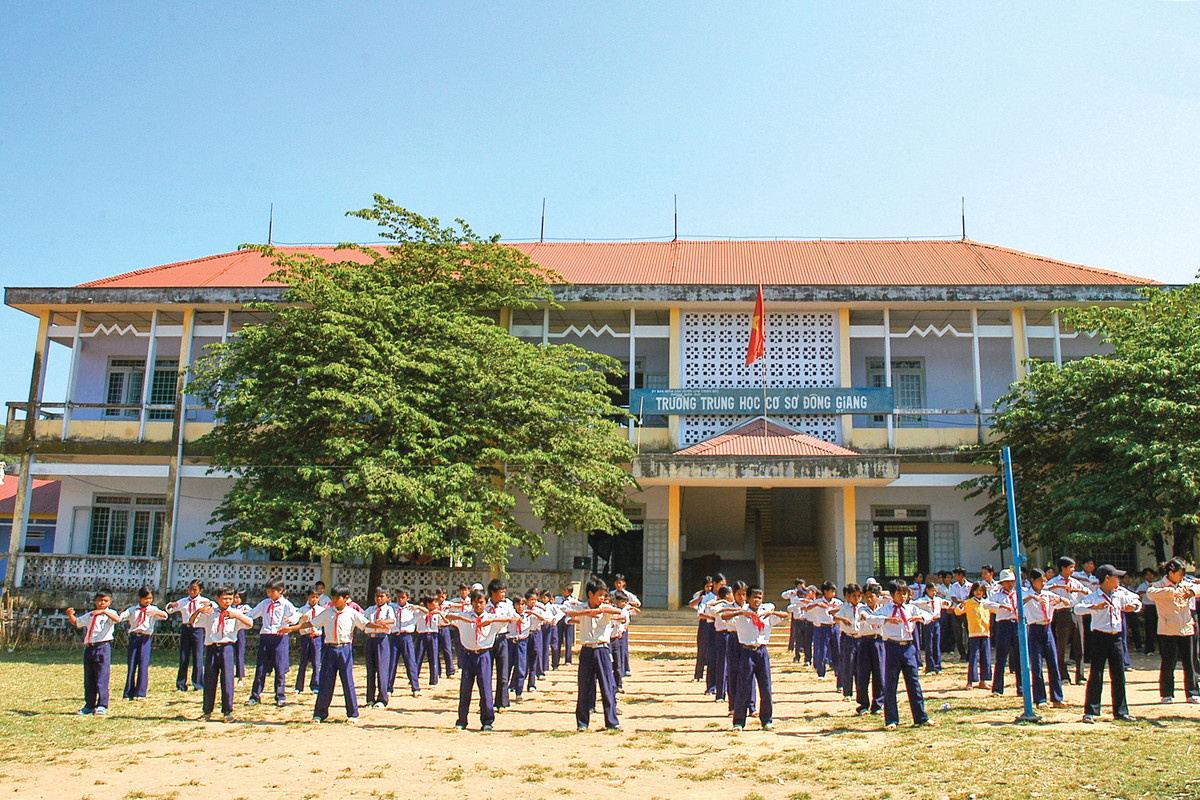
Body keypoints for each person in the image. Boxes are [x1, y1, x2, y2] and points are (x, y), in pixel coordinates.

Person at [282, 584, 391, 723]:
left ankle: (352, 714)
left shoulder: (352, 613)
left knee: (347, 681)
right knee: (325, 681)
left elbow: (365, 623)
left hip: (344, 649)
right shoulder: (327, 613)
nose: (333, 600)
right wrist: (291, 629)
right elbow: (311, 623)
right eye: (332, 597)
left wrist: (378, 626)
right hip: (329, 649)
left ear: (345, 598)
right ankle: (320, 713)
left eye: (337, 598)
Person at [1073, 565, 1142, 723]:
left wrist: (1134, 607)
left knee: (1118, 674)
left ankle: (1121, 711)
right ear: (1107, 579)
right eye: (1116, 577)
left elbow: (1137, 601)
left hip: (1116, 637)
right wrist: (1094, 607)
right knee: (1096, 674)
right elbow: (1077, 609)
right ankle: (1091, 711)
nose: (1119, 580)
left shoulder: (1120, 594)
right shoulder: (1095, 596)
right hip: (1099, 637)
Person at [443, 588, 518, 730]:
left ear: (486, 603)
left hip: (484, 655)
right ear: (471, 603)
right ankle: (462, 720)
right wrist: (463, 619)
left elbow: (511, 619)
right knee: (465, 689)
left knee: (485, 689)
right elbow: (447, 616)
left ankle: (487, 721)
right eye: (475, 602)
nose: (478, 605)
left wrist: (491, 620)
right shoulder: (465, 615)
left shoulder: (490, 617)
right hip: (468, 655)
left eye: (481, 602)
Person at [868, 580, 938, 731]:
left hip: (908, 647)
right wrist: (886, 619)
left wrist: (921, 618)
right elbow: (870, 618)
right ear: (892, 595)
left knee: (914, 682)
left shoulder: (911, 608)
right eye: (899, 593)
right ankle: (891, 719)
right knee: (891, 683)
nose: (902, 596)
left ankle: (921, 717)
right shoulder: (887, 609)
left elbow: (929, 615)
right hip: (892, 646)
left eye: (905, 593)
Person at [563, 576, 629, 731]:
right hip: (587, 650)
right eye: (599, 595)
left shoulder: (605, 608)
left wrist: (602, 610)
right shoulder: (583, 607)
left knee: (607, 686)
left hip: (602, 649)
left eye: (603, 595)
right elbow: (568, 613)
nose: (601, 598)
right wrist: (586, 613)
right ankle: (582, 723)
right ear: (590, 594)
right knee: (584, 686)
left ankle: (611, 721)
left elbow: (621, 614)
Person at [722, 586, 789, 731]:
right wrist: (741, 612)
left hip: (762, 651)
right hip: (747, 651)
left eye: (759, 597)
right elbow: (724, 617)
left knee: (766, 687)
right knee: (743, 687)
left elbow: (785, 615)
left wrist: (772, 612)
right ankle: (739, 722)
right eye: (754, 597)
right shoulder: (743, 612)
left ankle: (767, 720)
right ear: (748, 598)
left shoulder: (765, 613)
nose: (757, 600)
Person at [189, 587, 254, 723]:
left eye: (230, 599)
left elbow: (250, 624)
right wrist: (199, 611)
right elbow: (192, 622)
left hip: (227, 648)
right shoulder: (210, 613)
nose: (227, 601)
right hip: (212, 648)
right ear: (217, 599)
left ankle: (227, 712)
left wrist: (237, 616)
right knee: (210, 681)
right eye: (224, 598)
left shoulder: (235, 612)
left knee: (227, 680)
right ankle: (207, 711)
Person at [1145, 558, 1200, 704]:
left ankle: (1192, 692)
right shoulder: (1159, 585)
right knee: (1168, 663)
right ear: (1171, 573)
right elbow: (1150, 593)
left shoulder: (1185, 584)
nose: (1182, 576)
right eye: (1180, 573)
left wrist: (1192, 592)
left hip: (1186, 628)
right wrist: (1171, 591)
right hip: (1167, 630)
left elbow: (1198, 588)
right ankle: (1167, 693)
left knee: (1189, 663)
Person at [246, 578, 301, 707]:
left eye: (272, 591)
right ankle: (255, 695)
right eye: (268, 591)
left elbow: (297, 614)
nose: (270, 594)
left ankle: (280, 696)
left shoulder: (285, 604)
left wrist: (291, 620)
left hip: (280, 637)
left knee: (280, 668)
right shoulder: (265, 603)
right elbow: (252, 613)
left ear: (280, 591)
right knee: (261, 668)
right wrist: (242, 615)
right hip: (265, 636)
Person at [67, 590, 121, 715]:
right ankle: (89, 705)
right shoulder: (90, 614)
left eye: (105, 601)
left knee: (101, 677)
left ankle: (102, 705)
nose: (102, 603)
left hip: (102, 647)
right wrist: (70, 615)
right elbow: (77, 622)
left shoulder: (110, 613)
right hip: (90, 647)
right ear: (95, 601)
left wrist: (103, 612)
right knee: (89, 678)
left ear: (109, 602)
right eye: (100, 601)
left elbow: (117, 619)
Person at [1023, 568, 1070, 709]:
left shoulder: (1048, 594)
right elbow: (1017, 605)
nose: (1043, 584)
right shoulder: (1026, 594)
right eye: (1040, 581)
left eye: (1044, 581)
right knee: (1037, 665)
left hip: (1047, 628)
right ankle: (1040, 699)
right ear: (1032, 580)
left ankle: (1057, 698)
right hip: (1034, 629)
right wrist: (1032, 597)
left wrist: (1061, 599)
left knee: (1053, 663)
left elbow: (1067, 602)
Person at [1046, 557, 1090, 684]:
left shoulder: (1075, 582)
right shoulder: (1054, 582)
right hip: (1062, 613)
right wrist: (1058, 587)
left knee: (1079, 645)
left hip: (1076, 612)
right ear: (1063, 568)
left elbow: (1088, 592)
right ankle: (1063, 675)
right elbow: (1044, 590)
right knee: (1061, 645)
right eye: (1071, 567)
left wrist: (1078, 590)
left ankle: (1080, 675)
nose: (1073, 570)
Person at [119, 586, 168, 701]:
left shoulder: (153, 609)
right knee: (132, 665)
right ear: (139, 598)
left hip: (145, 638)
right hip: (134, 637)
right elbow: (121, 617)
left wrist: (157, 612)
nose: (148, 601)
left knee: (143, 665)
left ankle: (140, 693)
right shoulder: (132, 610)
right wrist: (120, 614)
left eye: (150, 598)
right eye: (145, 598)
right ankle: (128, 693)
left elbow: (165, 616)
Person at [165, 579, 209, 692]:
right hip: (186, 628)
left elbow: (213, 608)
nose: (192, 592)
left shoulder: (204, 601)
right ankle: (181, 684)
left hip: (198, 629)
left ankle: (198, 684)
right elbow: (170, 610)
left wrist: (209, 606)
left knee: (198, 656)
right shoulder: (184, 601)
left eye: (195, 590)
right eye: (190, 589)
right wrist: (170, 605)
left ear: (200, 591)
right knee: (184, 657)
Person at [983, 569, 1021, 696]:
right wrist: (1001, 606)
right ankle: (997, 688)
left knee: (1019, 657)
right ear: (1002, 583)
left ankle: (1021, 688)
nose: (1010, 584)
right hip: (1004, 625)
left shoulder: (1018, 594)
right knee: (1001, 657)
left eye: (1012, 581)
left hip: (1017, 624)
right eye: (1007, 582)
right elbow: (986, 604)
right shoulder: (997, 595)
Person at [854, 584, 886, 715]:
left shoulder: (883, 608)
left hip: (879, 641)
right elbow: (865, 617)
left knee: (880, 673)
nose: (869, 599)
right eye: (866, 596)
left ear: (877, 597)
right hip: (865, 641)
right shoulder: (862, 609)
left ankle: (878, 704)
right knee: (863, 674)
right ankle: (863, 705)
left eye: (872, 596)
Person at [363, 587, 397, 708]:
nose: (379, 599)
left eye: (381, 596)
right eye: (377, 596)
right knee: (370, 669)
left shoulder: (388, 609)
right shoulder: (370, 610)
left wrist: (383, 622)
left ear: (387, 598)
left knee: (382, 669)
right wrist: (374, 625)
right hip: (371, 638)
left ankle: (382, 699)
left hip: (382, 639)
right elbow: (363, 621)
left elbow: (392, 620)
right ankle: (370, 699)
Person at [954, 580, 992, 689]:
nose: (979, 593)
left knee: (986, 657)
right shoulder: (969, 602)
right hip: (974, 633)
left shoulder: (986, 603)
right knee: (973, 656)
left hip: (985, 633)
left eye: (981, 590)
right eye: (976, 590)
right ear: (973, 591)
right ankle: (970, 681)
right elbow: (957, 612)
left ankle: (984, 680)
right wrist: (960, 605)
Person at [485, 579, 515, 709]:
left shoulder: (506, 605)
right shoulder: (485, 605)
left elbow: (514, 617)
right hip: (488, 639)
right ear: (493, 592)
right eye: (501, 592)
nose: (503, 595)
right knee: (486, 673)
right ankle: (485, 703)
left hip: (502, 639)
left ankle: (502, 703)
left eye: (504, 592)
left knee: (503, 671)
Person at [389, 586, 421, 698]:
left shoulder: (412, 609)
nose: (400, 599)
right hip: (394, 636)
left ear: (408, 598)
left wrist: (417, 607)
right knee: (392, 662)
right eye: (398, 597)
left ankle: (415, 688)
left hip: (406, 636)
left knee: (410, 662)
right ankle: (389, 688)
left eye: (403, 597)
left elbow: (428, 612)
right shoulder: (392, 607)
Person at [833, 583, 863, 700]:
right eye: (854, 596)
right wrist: (843, 618)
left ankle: (860, 692)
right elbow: (835, 618)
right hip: (848, 638)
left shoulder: (862, 608)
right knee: (848, 664)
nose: (856, 598)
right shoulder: (844, 608)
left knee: (860, 666)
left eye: (859, 596)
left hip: (860, 638)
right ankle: (847, 692)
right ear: (848, 596)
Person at [913, 582, 950, 675]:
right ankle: (930, 667)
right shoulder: (922, 600)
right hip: (928, 622)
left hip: (936, 622)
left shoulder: (938, 599)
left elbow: (947, 604)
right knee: (929, 644)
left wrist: (947, 603)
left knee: (936, 644)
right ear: (927, 590)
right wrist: (925, 604)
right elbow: (913, 603)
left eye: (935, 591)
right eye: (932, 591)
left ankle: (938, 666)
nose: (934, 593)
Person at [294, 586, 325, 694]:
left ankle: (315, 685)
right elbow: (297, 622)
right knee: (303, 662)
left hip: (316, 638)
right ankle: (299, 686)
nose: (314, 599)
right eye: (312, 597)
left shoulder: (321, 610)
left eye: (316, 597)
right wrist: (302, 618)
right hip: (305, 637)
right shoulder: (302, 610)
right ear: (307, 597)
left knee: (316, 663)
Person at [415, 592, 448, 688]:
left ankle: (433, 681)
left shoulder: (437, 613)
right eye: (435, 602)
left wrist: (440, 613)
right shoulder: (420, 612)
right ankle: (414, 679)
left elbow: (446, 622)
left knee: (433, 658)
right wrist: (424, 609)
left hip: (433, 636)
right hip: (422, 635)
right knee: (418, 658)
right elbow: (416, 608)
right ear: (428, 603)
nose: (437, 604)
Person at [689, 576, 716, 681]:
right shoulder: (701, 595)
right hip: (704, 622)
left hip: (713, 623)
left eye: (711, 586)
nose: (709, 588)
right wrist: (701, 599)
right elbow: (691, 604)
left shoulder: (715, 596)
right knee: (702, 649)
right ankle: (698, 674)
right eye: (707, 586)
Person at [947, 568, 971, 660]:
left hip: (967, 611)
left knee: (969, 632)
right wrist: (962, 602)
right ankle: (962, 653)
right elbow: (953, 598)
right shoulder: (954, 586)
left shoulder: (970, 586)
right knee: (958, 633)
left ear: (960, 575)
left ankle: (969, 653)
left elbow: (970, 598)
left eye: (956, 575)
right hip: (956, 610)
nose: (954, 577)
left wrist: (962, 602)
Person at [1135, 567, 1159, 656]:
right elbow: (1137, 593)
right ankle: (1149, 649)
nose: (1150, 576)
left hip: (1157, 607)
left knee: (1159, 628)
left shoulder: (1156, 584)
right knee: (1149, 628)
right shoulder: (1143, 585)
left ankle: (1161, 649)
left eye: (1151, 575)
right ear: (1145, 576)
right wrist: (1146, 591)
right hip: (1148, 607)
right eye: (1148, 575)